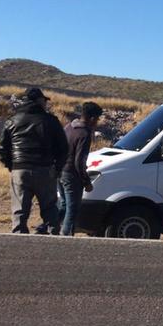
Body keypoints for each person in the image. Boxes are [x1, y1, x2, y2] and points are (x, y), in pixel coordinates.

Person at [0, 87, 68, 235]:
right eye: (44, 100)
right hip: (45, 169)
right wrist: (57, 168)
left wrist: (12, 166)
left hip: (20, 170)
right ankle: (54, 239)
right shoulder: (51, 121)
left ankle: (19, 241)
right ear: (39, 101)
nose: (46, 103)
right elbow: (64, 148)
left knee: (19, 210)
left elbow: (2, 149)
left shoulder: (12, 120)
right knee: (50, 209)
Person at [58, 101, 102, 237]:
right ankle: (65, 238)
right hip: (71, 175)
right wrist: (86, 182)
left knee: (64, 205)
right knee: (72, 209)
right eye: (97, 119)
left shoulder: (68, 127)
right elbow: (79, 162)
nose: (97, 123)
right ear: (92, 118)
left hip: (60, 171)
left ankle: (50, 229)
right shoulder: (84, 134)